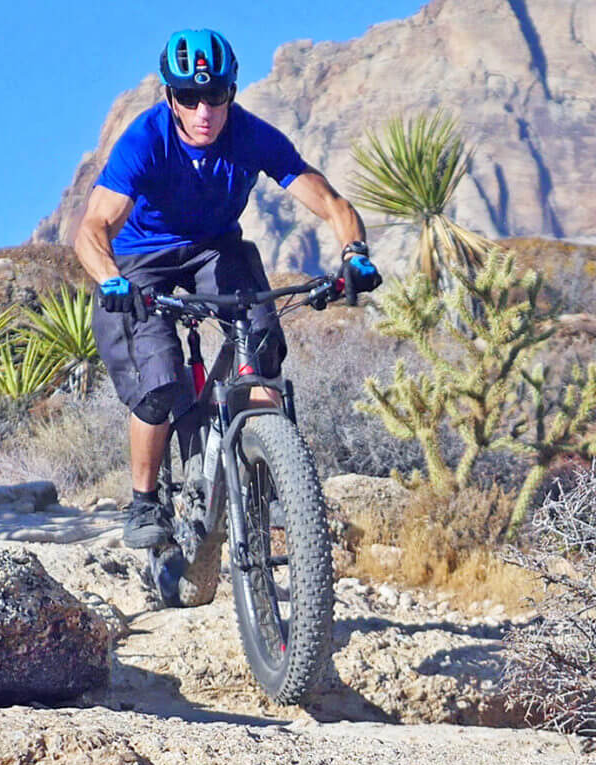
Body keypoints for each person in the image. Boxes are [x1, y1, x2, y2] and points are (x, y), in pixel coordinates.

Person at [74, 28, 381, 550]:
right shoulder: (146, 140)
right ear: (170, 96)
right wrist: (111, 279)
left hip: (216, 250)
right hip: (139, 261)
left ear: (231, 93)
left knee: (261, 342)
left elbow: (330, 201)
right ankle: (145, 501)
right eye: (189, 98)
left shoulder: (251, 136)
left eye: (214, 95)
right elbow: (92, 228)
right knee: (160, 380)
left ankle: (273, 468)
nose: (203, 111)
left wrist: (354, 254)